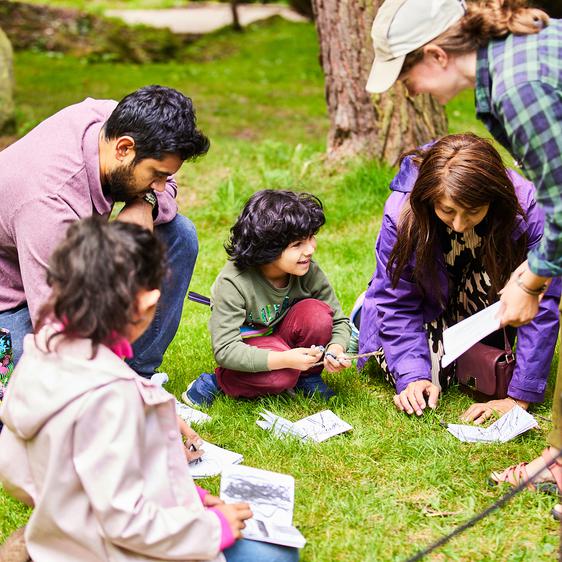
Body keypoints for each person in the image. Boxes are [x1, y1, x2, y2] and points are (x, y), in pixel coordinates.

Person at [0, 218, 299, 562]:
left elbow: (15, 469)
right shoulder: (112, 397)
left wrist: (189, 496)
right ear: (147, 303)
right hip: (111, 552)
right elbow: (127, 522)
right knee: (273, 555)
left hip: (60, 536)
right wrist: (211, 527)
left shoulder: (38, 355)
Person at [366, 0, 562, 514]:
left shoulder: (520, 89)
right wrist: (413, 372)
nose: (409, 90)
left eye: (408, 73)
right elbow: (395, 298)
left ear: (436, 54)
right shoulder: (512, 72)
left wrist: (534, 276)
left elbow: (560, 199)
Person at [0, 85, 209, 379]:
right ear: (123, 149)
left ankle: (138, 373)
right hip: (16, 301)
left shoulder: (112, 120)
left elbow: (166, 188)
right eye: (156, 175)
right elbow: (55, 324)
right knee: (35, 365)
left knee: (178, 235)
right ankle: (117, 383)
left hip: (69, 261)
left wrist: (144, 204)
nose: (162, 186)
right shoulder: (49, 206)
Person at [357, 134, 560, 421]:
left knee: (478, 376)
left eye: (473, 212)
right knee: (431, 382)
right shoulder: (402, 213)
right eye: (447, 210)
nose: (459, 224)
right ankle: (363, 312)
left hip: (483, 306)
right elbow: (396, 300)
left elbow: (540, 302)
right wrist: (412, 377)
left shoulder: (527, 209)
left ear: (493, 197)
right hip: (423, 301)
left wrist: (519, 396)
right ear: (429, 198)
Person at [183, 189, 351, 407]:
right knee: (281, 376)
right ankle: (219, 381)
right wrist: (284, 360)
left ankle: (307, 376)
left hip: (285, 340)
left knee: (317, 314)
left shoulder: (308, 272)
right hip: (252, 346)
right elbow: (225, 349)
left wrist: (336, 349)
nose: (310, 249)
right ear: (268, 250)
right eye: (297, 244)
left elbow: (338, 321)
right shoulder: (234, 281)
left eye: (311, 237)